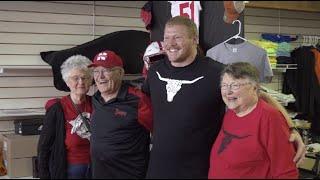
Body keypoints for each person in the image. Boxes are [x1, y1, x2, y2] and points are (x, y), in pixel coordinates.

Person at [142, 15, 305, 178]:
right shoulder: (156, 71)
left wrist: (291, 129)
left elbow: (260, 96)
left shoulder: (216, 72)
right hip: (159, 167)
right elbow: (145, 106)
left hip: (199, 169)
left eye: (177, 37)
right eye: (166, 38)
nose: (170, 44)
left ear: (195, 39)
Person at [208, 62, 299, 178]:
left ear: (254, 87)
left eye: (235, 85)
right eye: (224, 85)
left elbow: (286, 171)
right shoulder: (232, 111)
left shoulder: (270, 118)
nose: (228, 91)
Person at [88, 50, 152, 179]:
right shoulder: (95, 99)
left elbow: (160, 133)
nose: (100, 76)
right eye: (96, 71)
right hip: (100, 173)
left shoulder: (137, 100)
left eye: (106, 70)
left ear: (120, 73)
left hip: (130, 174)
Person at [38, 55, 93, 179]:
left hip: (96, 167)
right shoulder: (57, 109)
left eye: (85, 78)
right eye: (76, 78)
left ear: (90, 80)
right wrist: (43, 175)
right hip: (69, 169)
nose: (81, 82)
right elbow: (44, 147)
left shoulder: (97, 104)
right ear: (67, 81)